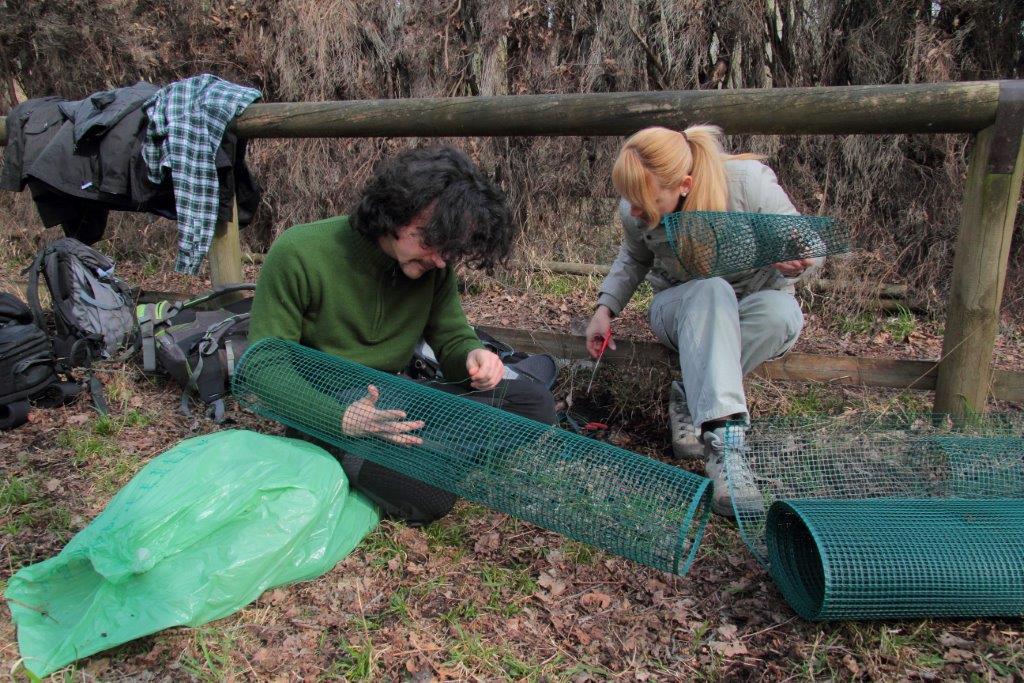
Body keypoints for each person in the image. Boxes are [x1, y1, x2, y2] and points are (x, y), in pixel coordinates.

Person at [249, 145, 557, 525]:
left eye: (450, 249)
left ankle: (423, 456)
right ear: (393, 212)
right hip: (326, 416)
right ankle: (405, 459)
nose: (441, 260)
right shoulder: (300, 252)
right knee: (430, 497)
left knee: (534, 405)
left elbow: (452, 336)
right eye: (430, 242)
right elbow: (262, 366)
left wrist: (473, 356)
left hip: (397, 398)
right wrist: (340, 418)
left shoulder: (434, 266)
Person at [585, 125, 821, 517]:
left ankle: (690, 395)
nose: (635, 211)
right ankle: (726, 451)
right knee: (711, 290)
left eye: (644, 200)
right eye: (629, 199)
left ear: (684, 184)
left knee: (782, 315)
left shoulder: (747, 185)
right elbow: (633, 258)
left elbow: (811, 248)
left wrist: (797, 261)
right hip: (679, 307)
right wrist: (604, 309)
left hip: (754, 303)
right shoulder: (635, 208)